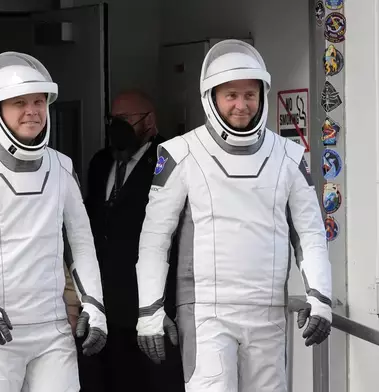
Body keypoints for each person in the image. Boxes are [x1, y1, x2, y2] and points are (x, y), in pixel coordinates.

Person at [134, 39, 333, 392]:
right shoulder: (181, 153)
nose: (241, 105)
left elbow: (311, 235)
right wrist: (150, 311)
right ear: (211, 98)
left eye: (249, 95)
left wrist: (320, 297)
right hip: (206, 313)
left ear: (262, 97)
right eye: (231, 95)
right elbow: (154, 239)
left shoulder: (289, 155)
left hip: (267, 311)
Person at [0, 51, 107, 392]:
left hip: (52, 329)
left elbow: (81, 243)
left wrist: (94, 303)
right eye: (19, 102)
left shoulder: (62, 166)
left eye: (38, 101)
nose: (32, 111)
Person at [81, 90, 184, 392]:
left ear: (149, 121)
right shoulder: (100, 162)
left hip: (149, 303)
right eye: (113, 119)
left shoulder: (169, 160)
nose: (118, 126)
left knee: (153, 382)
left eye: (126, 119)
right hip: (106, 305)